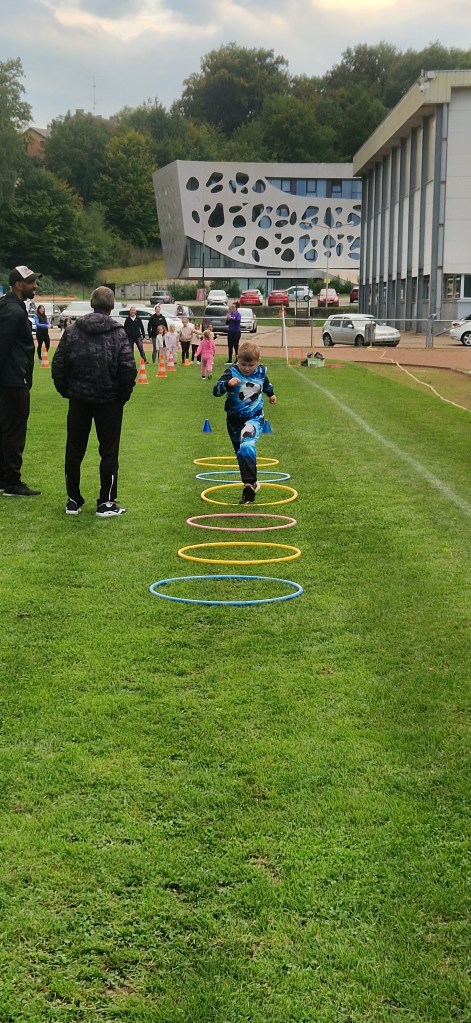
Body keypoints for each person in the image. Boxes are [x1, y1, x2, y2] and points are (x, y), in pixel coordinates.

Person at [51, 286, 137, 517]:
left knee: (74, 449)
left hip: (80, 399)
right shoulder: (118, 333)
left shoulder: (72, 331)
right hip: (108, 401)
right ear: (112, 305)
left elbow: (59, 365)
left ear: (92, 303)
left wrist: (68, 391)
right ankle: (106, 502)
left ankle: (73, 500)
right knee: (109, 452)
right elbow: (128, 368)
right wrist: (122, 396)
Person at [213, 340, 276, 504]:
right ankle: (250, 486)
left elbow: (266, 384)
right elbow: (216, 391)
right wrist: (227, 384)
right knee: (241, 453)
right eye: (243, 364)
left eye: (251, 365)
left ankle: (249, 483)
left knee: (247, 443)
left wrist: (271, 394)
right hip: (234, 421)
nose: (247, 368)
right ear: (237, 359)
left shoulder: (261, 372)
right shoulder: (231, 372)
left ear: (258, 361)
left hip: (254, 417)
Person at [0, 265, 42, 497]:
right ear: (18, 285)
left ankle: (4, 477)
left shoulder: (10, 306)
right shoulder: (13, 311)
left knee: (6, 429)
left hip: (11, 378)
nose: (35, 286)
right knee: (14, 431)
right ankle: (13, 482)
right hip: (13, 380)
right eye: (30, 282)